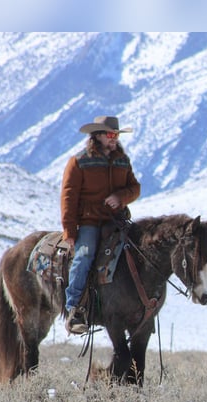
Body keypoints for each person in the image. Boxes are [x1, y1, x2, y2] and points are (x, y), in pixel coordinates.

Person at [61, 115, 141, 334]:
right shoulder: (79, 161)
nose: (114, 138)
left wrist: (120, 197)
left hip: (117, 221)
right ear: (97, 136)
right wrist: (70, 230)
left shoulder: (122, 160)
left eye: (116, 134)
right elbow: (68, 196)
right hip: (90, 222)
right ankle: (74, 309)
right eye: (110, 134)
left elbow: (135, 188)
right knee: (84, 255)